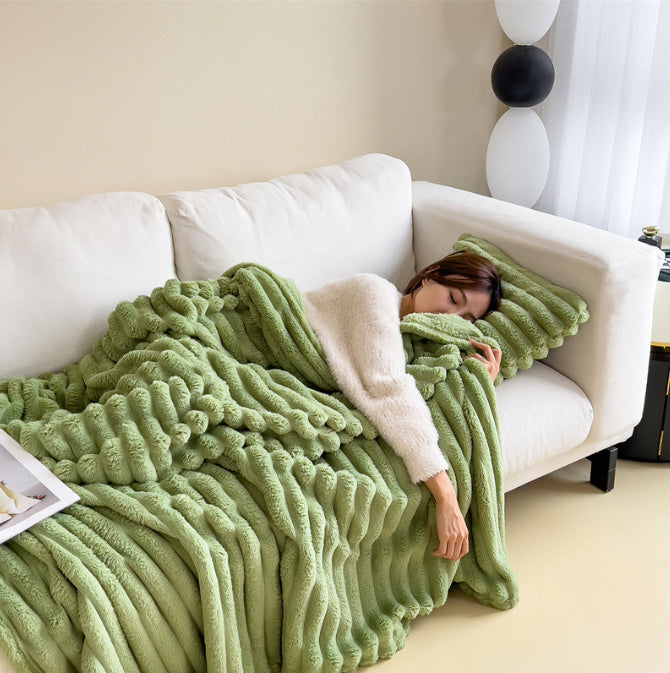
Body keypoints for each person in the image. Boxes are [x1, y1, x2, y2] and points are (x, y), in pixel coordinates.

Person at [302, 250, 503, 565]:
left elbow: (423, 397)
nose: (450, 318)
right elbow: (389, 390)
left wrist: (479, 381)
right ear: (428, 276)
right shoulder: (375, 293)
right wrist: (445, 496)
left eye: (466, 319)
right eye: (453, 298)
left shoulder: (413, 339)